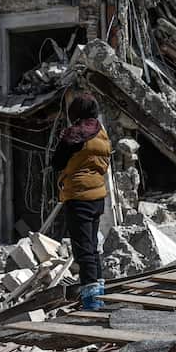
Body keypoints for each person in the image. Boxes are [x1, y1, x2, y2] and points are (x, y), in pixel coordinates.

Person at [51, 92, 112, 310]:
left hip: (79, 197)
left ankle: (92, 301)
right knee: (92, 247)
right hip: (97, 196)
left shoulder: (76, 134)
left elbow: (57, 162)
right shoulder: (101, 133)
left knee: (83, 250)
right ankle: (99, 293)